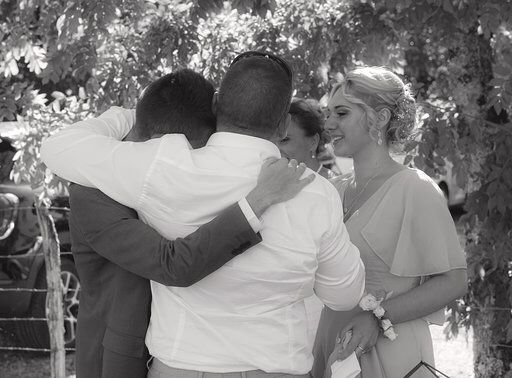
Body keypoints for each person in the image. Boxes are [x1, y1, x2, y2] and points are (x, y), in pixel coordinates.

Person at [41, 52, 365, 377]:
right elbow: (344, 295)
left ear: (215, 104)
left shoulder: (165, 165)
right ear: (283, 124)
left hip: (182, 365)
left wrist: (130, 115)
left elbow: (57, 148)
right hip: (277, 366)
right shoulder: (315, 192)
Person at [311, 66, 468, 378]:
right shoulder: (333, 189)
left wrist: (377, 317)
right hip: (330, 346)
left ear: (380, 118)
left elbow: (454, 281)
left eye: (340, 113)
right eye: (327, 114)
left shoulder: (416, 188)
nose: (328, 124)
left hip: (389, 351)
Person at [278, 98, 336, 179]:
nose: (276, 148)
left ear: (313, 142)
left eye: (284, 140)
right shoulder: (272, 184)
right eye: (273, 140)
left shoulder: (335, 185)